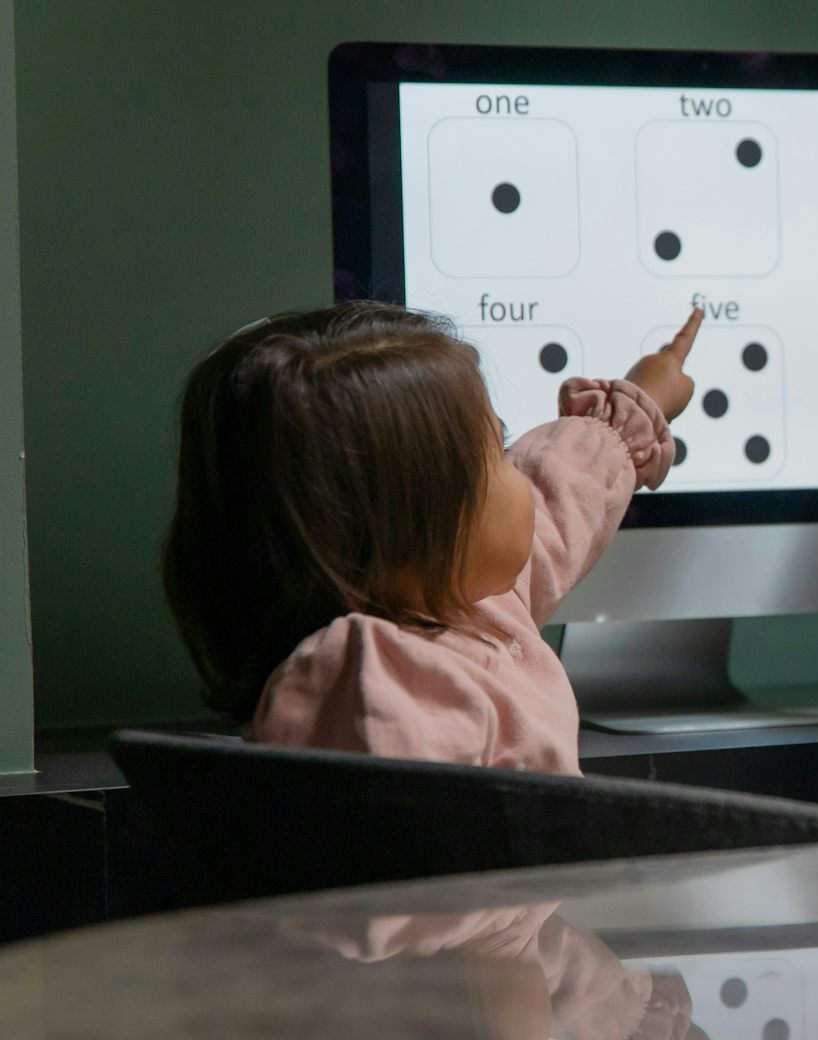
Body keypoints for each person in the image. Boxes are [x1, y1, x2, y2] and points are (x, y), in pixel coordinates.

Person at [163, 301, 702, 773]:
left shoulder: (479, 601)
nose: (526, 476)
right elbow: (411, 849)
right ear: (417, 525)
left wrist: (644, 393)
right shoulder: (370, 682)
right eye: (502, 453)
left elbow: (564, 485)